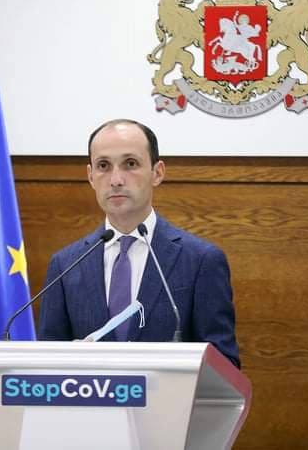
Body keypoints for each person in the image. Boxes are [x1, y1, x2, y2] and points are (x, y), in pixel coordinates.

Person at [37, 119, 240, 368]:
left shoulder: (200, 260)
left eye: (130, 164)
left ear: (157, 173)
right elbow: (46, 364)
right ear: (90, 176)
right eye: (103, 166)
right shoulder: (65, 265)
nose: (116, 180)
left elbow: (224, 366)